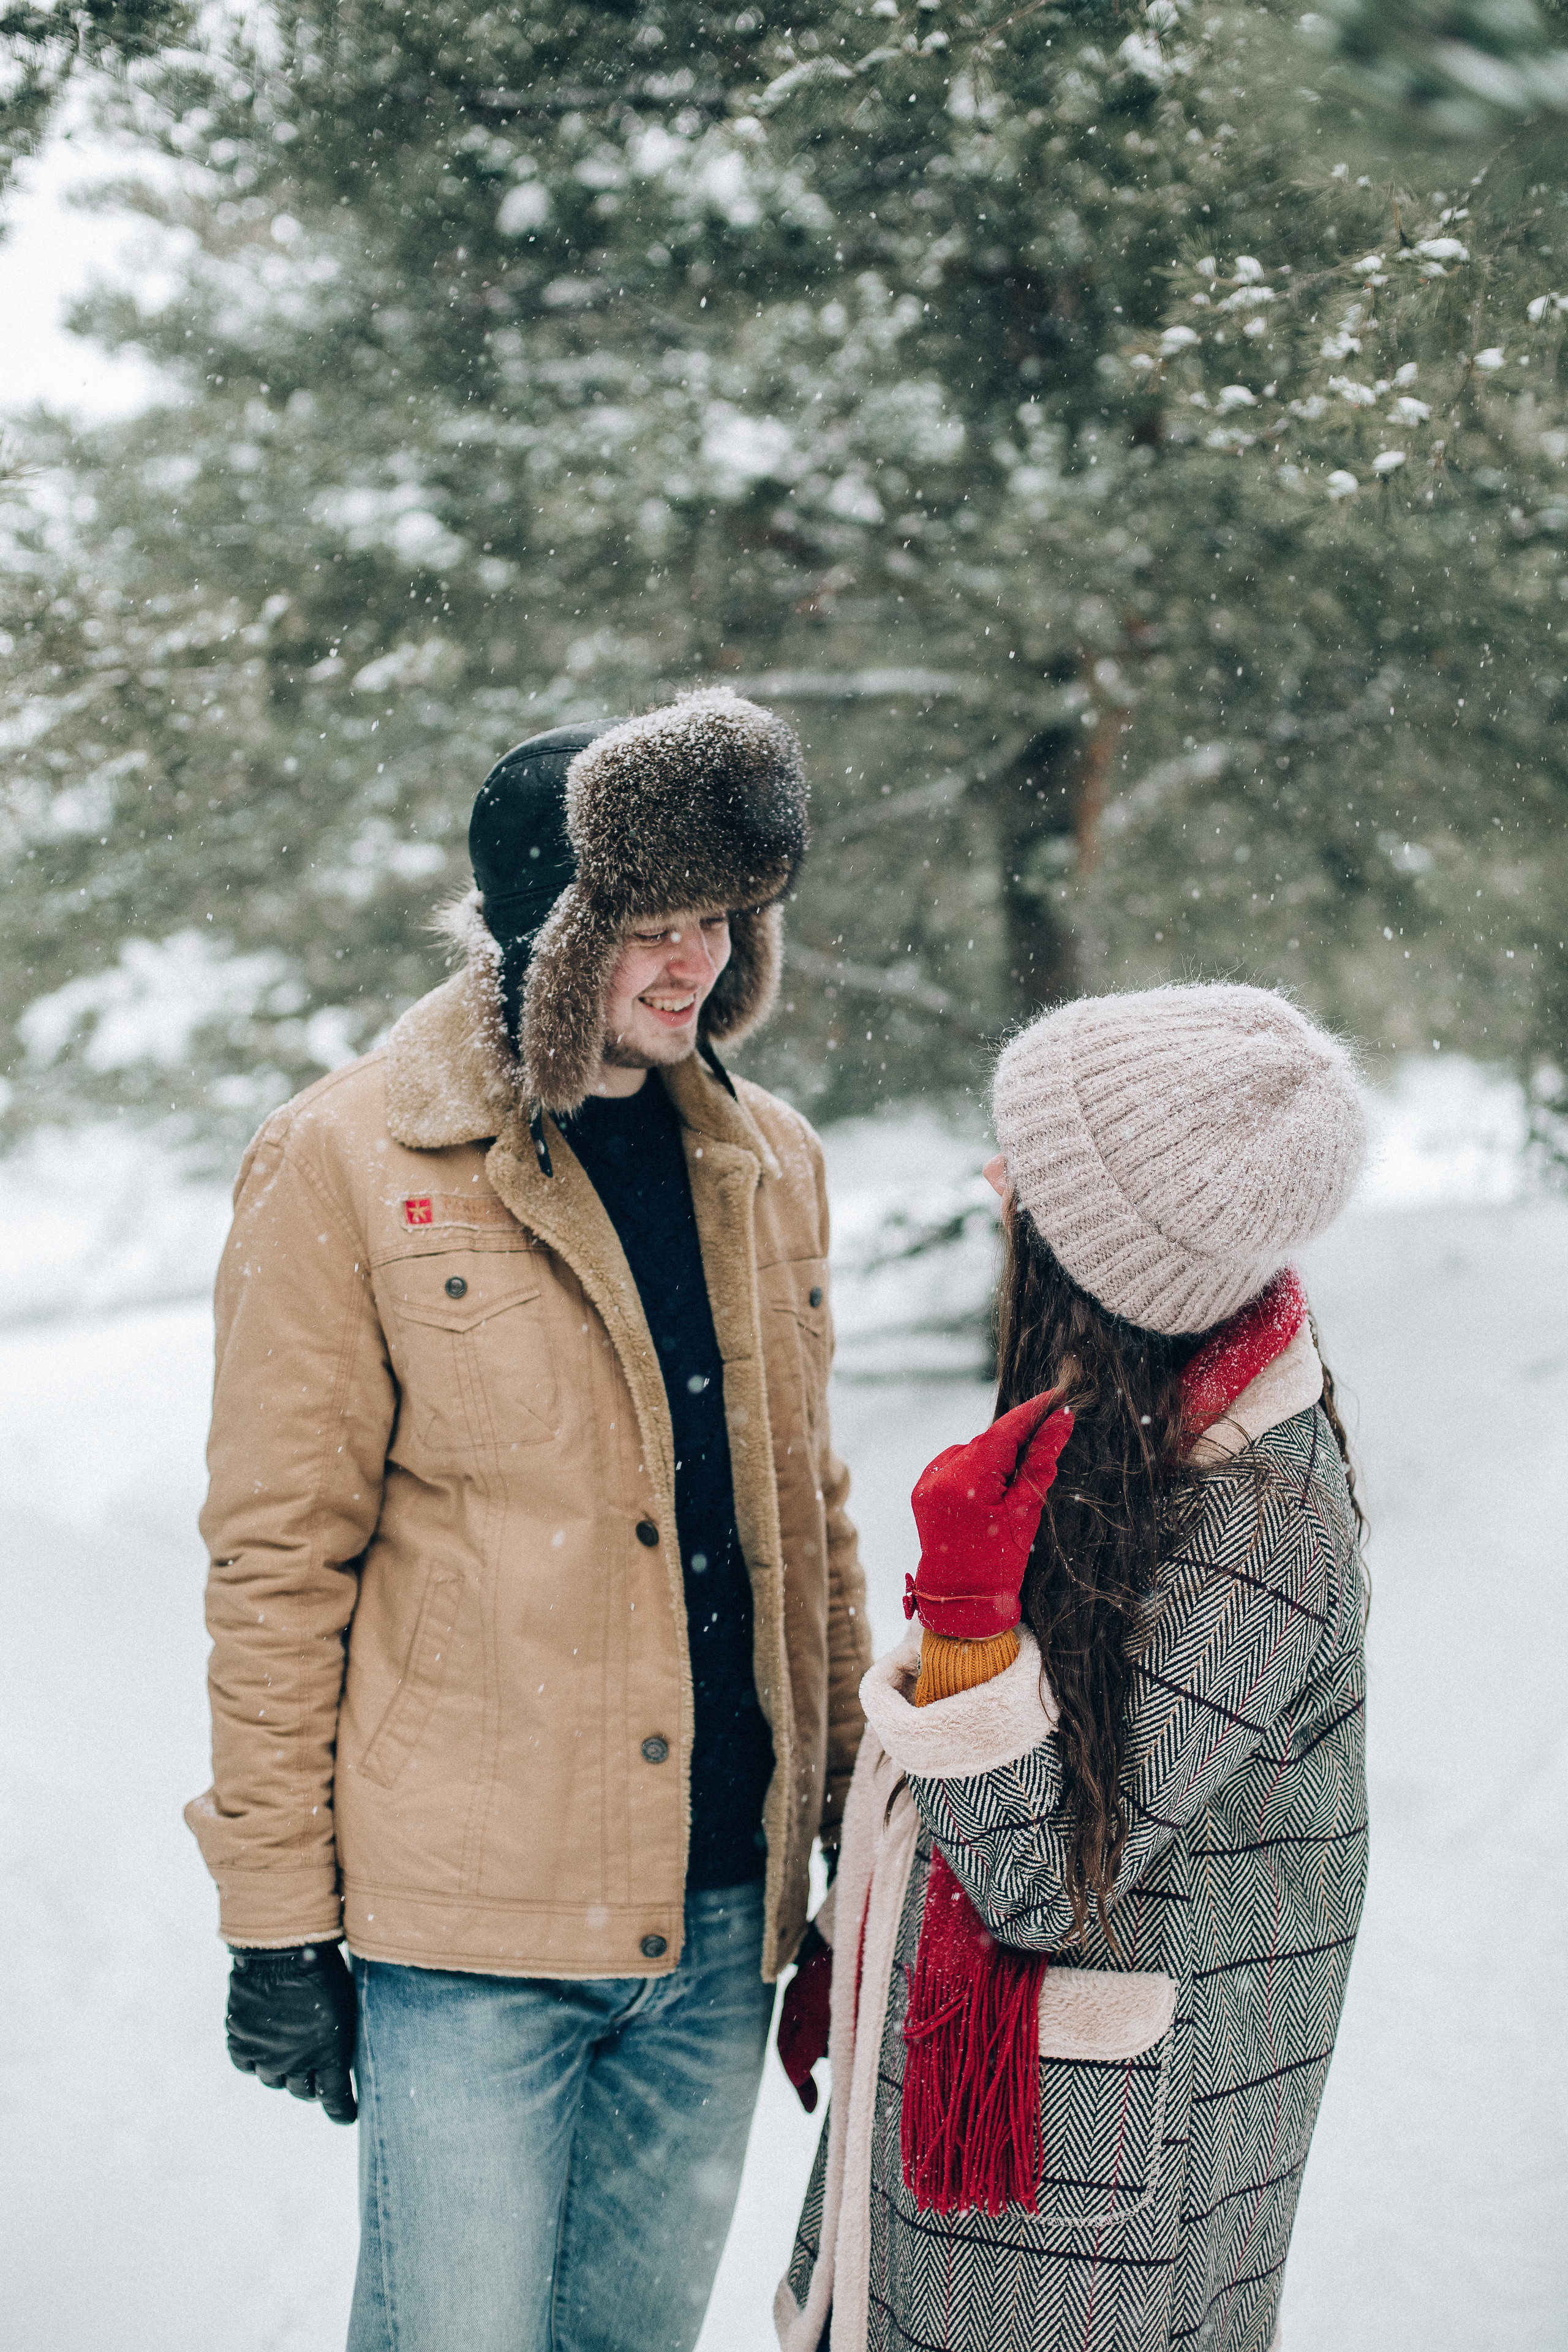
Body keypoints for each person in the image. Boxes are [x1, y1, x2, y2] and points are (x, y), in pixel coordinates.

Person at [184, 687, 871, 2352]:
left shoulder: (767, 1158)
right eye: (648, 925)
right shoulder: (349, 1159)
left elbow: (809, 1520)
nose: (693, 963)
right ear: (550, 934)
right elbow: (280, 1559)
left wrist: (851, 1816)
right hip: (472, 1935)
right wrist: (277, 1914)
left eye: (718, 919)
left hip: (720, 1933)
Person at [774, 982, 1370, 2352]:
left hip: (1087, 2215)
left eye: (1029, 1170)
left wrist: (970, 1618)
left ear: (1112, 1253)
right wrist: (852, 1933)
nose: (995, 1180)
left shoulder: (1262, 1524)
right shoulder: (1130, 1421)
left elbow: (1043, 1879)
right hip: (1010, 2138)